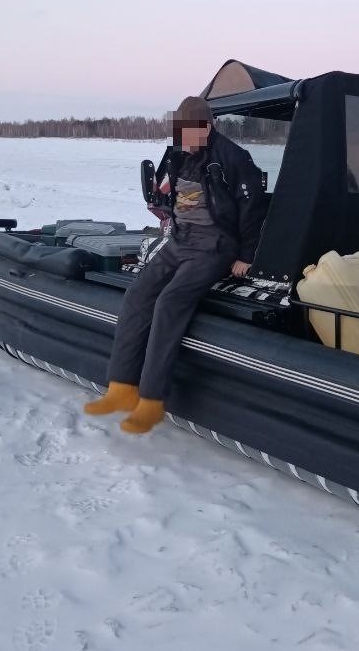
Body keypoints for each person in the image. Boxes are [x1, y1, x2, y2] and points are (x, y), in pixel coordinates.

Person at [83, 96, 268, 433]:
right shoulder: (179, 155)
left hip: (215, 245)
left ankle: (151, 401)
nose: (182, 138)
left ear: (207, 128)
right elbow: (170, 195)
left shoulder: (233, 158)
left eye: (188, 132)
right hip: (180, 241)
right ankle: (122, 388)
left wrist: (246, 255)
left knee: (170, 302)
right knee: (138, 295)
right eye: (179, 131)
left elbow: (252, 206)